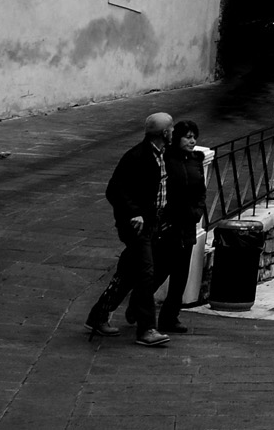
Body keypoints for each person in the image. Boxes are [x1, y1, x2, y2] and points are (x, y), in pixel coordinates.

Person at [86, 112, 174, 347]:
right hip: (136, 227)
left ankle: (97, 316)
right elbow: (114, 190)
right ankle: (147, 329)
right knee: (146, 273)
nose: (173, 132)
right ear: (165, 133)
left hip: (153, 225)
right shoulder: (137, 156)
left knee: (127, 273)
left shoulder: (162, 155)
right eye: (171, 129)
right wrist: (134, 213)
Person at [153, 120, 207, 336]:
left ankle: (170, 317)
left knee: (180, 275)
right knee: (160, 269)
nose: (192, 141)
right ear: (177, 138)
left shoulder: (196, 161)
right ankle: (140, 307)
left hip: (188, 226)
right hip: (169, 225)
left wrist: (197, 211)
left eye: (194, 136)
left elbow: (201, 191)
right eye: (188, 136)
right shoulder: (166, 159)